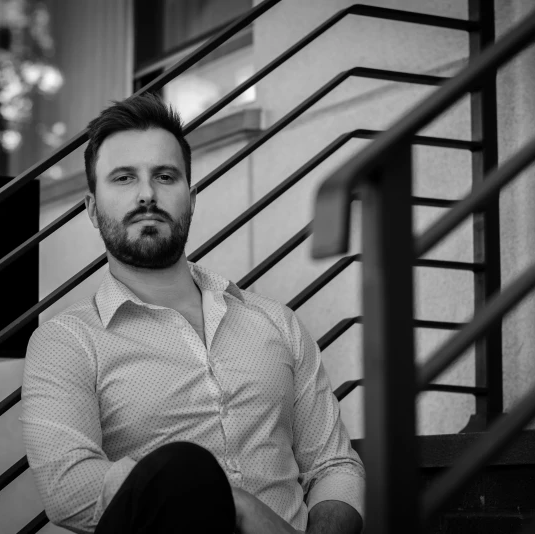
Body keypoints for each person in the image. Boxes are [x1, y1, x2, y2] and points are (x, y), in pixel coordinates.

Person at [20, 93, 365, 534]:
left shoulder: (276, 323)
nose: (147, 195)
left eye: (165, 176)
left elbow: (335, 465)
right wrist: (226, 507)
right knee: (183, 465)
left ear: (191, 197)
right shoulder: (67, 342)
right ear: (91, 208)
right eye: (124, 178)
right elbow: (67, 487)